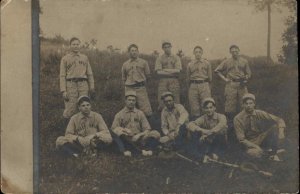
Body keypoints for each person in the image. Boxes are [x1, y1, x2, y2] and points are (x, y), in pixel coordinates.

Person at [234, 93, 286, 161]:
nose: (248, 105)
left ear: (254, 104)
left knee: (274, 128)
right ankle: (267, 156)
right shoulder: (238, 118)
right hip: (249, 143)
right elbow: (241, 140)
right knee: (254, 153)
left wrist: (281, 132)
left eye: (250, 103)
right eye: (246, 103)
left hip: (261, 138)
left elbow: (279, 120)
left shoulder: (259, 113)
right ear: (243, 105)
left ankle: (274, 153)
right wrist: (256, 146)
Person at [214, 45, 251, 140]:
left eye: (236, 51)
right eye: (232, 51)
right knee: (230, 109)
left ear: (239, 51)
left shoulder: (244, 61)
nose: (234, 53)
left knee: (245, 106)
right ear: (230, 52)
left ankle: (245, 130)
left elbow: (249, 73)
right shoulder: (227, 61)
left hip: (242, 85)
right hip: (231, 85)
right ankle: (230, 132)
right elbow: (217, 70)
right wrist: (225, 79)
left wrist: (246, 79)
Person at [111, 91, 160, 157]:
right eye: (129, 100)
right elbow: (114, 129)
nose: (131, 102)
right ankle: (139, 151)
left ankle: (149, 150)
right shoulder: (120, 114)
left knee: (156, 133)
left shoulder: (140, 113)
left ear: (135, 101)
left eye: (133, 100)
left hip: (139, 138)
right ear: (125, 101)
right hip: (127, 139)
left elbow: (147, 129)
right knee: (117, 131)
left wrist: (139, 135)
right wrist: (124, 130)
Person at [60, 37, 95, 120]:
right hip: (70, 84)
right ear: (70, 46)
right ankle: (69, 128)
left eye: (77, 44)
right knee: (71, 108)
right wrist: (63, 90)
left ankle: (83, 128)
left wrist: (92, 86)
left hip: (83, 84)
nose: (76, 46)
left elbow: (89, 74)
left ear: (79, 45)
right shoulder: (65, 58)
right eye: (73, 44)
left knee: (84, 105)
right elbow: (62, 75)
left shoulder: (84, 58)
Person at [122, 44, 156, 127]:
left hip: (140, 88)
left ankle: (151, 128)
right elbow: (124, 78)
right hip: (129, 88)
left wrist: (142, 84)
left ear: (138, 51)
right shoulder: (125, 64)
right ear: (129, 53)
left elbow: (148, 76)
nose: (134, 52)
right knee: (130, 108)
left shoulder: (144, 62)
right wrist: (127, 87)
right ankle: (131, 127)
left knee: (146, 110)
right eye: (132, 51)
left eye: (135, 50)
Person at [187, 97, 228, 163]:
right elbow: (190, 125)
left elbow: (221, 125)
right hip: (209, 141)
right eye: (206, 108)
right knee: (193, 134)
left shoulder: (221, 116)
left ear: (215, 108)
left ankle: (216, 154)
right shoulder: (203, 118)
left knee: (220, 134)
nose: (209, 110)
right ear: (203, 109)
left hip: (220, 142)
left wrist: (206, 134)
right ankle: (207, 155)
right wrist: (202, 130)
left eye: (211, 107)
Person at [155, 40, 182, 111]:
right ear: (162, 48)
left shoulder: (176, 57)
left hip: (174, 81)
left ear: (171, 47)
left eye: (168, 47)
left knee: (175, 101)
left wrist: (165, 70)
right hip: (163, 81)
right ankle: (164, 119)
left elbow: (178, 71)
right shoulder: (160, 58)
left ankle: (177, 119)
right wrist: (172, 71)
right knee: (162, 101)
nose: (167, 48)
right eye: (165, 47)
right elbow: (158, 72)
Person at [187, 46, 212, 120]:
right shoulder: (190, 64)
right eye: (196, 52)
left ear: (202, 53)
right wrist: (190, 88)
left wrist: (208, 88)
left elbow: (210, 78)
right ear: (194, 53)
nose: (198, 54)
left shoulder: (207, 63)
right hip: (193, 85)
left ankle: (207, 125)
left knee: (206, 105)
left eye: (199, 52)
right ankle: (196, 126)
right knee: (194, 107)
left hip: (204, 84)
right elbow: (187, 78)